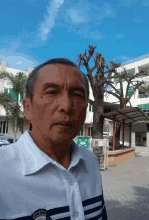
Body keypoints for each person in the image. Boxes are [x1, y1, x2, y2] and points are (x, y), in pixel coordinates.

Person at [0, 58, 107, 220]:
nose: (67, 106)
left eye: (77, 94)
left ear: (86, 109)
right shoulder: (3, 171)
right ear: (27, 108)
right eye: (51, 92)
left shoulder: (90, 161)